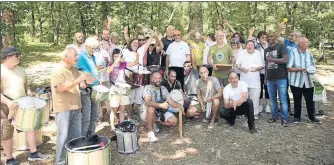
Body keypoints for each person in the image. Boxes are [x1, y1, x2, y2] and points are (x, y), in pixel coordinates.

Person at [1, 46, 49, 165]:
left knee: (31, 127)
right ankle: (10, 159)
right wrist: (8, 102)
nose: (19, 58)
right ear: (8, 57)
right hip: (6, 106)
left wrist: (29, 92)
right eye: (17, 56)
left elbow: (26, 86)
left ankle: (33, 153)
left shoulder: (22, 71)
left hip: (23, 104)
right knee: (7, 133)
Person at [51, 47, 94, 165]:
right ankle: (60, 161)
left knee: (75, 136)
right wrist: (78, 80)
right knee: (63, 135)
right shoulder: (57, 70)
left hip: (76, 106)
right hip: (63, 108)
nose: (77, 57)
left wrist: (88, 79)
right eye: (75, 55)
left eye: (77, 55)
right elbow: (61, 89)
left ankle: (73, 159)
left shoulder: (74, 69)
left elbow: (82, 85)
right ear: (66, 57)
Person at [140, 72, 183, 142]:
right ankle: (150, 133)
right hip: (146, 112)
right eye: (155, 78)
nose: (158, 80)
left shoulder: (163, 89)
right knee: (151, 108)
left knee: (174, 122)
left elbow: (171, 102)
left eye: (159, 78)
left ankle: (155, 123)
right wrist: (161, 105)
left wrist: (180, 106)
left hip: (160, 112)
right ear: (152, 79)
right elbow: (147, 102)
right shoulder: (148, 88)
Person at [287, 37, 321, 124]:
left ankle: (312, 116)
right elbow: (289, 68)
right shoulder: (293, 53)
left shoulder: (309, 53)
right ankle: (297, 117)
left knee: (310, 100)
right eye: (306, 43)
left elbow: (313, 66)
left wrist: (311, 69)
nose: (308, 44)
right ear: (301, 44)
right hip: (296, 81)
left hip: (309, 81)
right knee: (297, 100)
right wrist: (300, 69)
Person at [76, 37, 101, 135]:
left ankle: (91, 134)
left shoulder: (92, 56)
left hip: (94, 88)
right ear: (86, 46)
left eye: (96, 48)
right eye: (92, 48)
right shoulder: (81, 56)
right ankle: (83, 137)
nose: (94, 50)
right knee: (86, 115)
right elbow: (76, 71)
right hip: (85, 89)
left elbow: (93, 69)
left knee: (94, 114)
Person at [264, 31, 289, 127]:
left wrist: (273, 60)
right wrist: (266, 77)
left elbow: (285, 60)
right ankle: (275, 116)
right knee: (272, 99)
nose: (270, 38)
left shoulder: (281, 46)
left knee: (283, 99)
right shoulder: (266, 50)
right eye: (268, 37)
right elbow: (266, 64)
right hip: (270, 78)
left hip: (281, 77)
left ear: (275, 37)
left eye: (271, 36)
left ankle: (285, 118)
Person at [236, 40, 264, 119]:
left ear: (254, 46)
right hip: (244, 79)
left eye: (251, 45)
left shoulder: (258, 53)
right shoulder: (242, 52)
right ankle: (244, 112)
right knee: (244, 97)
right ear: (246, 45)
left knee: (255, 97)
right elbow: (237, 64)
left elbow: (262, 66)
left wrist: (257, 69)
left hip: (255, 80)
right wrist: (242, 68)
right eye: (248, 44)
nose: (250, 46)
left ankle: (254, 113)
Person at [107, 49, 132, 132]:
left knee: (122, 108)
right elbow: (108, 71)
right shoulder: (110, 64)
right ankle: (112, 126)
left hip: (123, 88)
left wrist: (137, 55)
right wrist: (115, 62)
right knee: (114, 109)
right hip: (114, 88)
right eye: (115, 56)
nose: (116, 57)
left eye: (118, 56)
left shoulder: (122, 64)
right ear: (113, 57)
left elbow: (134, 63)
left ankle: (121, 124)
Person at [248, 27, 271, 113]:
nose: (264, 39)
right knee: (260, 88)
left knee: (267, 87)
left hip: (268, 70)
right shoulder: (256, 46)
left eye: (265, 37)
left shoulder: (270, 46)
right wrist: (251, 33)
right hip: (258, 70)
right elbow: (249, 41)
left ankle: (268, 105)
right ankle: (260, 104)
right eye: (262, 37)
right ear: (258, 38)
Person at [122, 39, 139, 117]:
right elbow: (121, 62)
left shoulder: (138, 52)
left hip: (136, 76)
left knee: (132, 97)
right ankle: (127, 114)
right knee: (127, 96)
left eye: (137, 43)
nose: (135, 44)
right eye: (134, 42)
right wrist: (128, 65)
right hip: (127, 76)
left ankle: (130, 114)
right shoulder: (125, 51)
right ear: (130, 43)